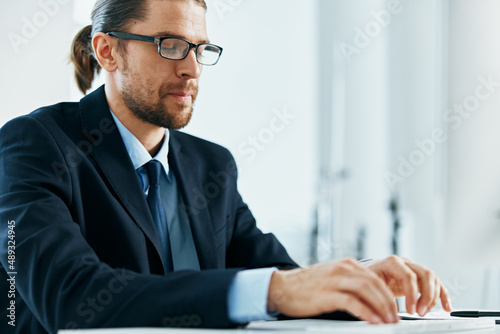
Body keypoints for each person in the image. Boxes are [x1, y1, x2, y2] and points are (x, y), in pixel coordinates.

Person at [0, 0, 452, 333]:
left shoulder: (209, 164)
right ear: (108, 52)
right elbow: (70, 298)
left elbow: (283, 278)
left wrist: (354, 280)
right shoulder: (35, 145)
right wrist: (274, 290)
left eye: (201, 49)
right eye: (171, 45)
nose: (192, 69)